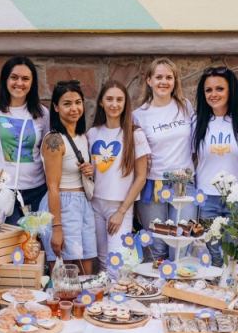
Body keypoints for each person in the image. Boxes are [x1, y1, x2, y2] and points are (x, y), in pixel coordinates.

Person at [192, 65, 238, 267]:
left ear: (231, 90)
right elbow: (193, 158)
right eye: (209, 90)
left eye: (220, 89)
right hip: (207, 199)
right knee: (213, 254)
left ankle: (233, 295)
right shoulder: (197, 121)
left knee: (236, 254)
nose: (214, 94)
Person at [133, 58, 196, 261]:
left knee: (182, 244)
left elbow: (194, 147)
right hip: (154, 184)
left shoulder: (185, 107)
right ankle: (159, 291)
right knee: (157, 247)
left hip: (184, 184)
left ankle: (179, 292)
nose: (164, 82)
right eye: (158, 77)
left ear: (175, 82)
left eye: (169, 77)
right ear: (149, 81)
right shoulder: (138, 115)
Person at [0, 56, 49, 225]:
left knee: (29, 246)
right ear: (5, 79)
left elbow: (46, 152)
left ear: (32, 83)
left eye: (25, 79)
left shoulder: (42, 113)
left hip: (35, 192)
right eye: (14, 77)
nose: (19, 83)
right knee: (1, 246)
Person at [89, 81, 150, 276]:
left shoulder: (134, 134)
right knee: (101, 260)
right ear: (101, 102)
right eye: (109, 99)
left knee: (117, 262)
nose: (114, 104)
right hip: (95, 204)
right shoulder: (92, 133)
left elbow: (141, 177)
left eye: (119, 99)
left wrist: (122, 211)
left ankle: (117, 301)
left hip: (119, 206)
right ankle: (104, 305)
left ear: (125, 103)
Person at [39, 80, 96, 275]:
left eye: (78, 102)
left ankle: (86, 306)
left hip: (83, 204)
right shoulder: (54, 139)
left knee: (86, 266)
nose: (74, 108)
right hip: (62, 203)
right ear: (55, 107)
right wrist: (57, 228)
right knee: (65, 273)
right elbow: (52, 187)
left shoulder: (82, 135)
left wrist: (88, 170)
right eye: (67, 103)